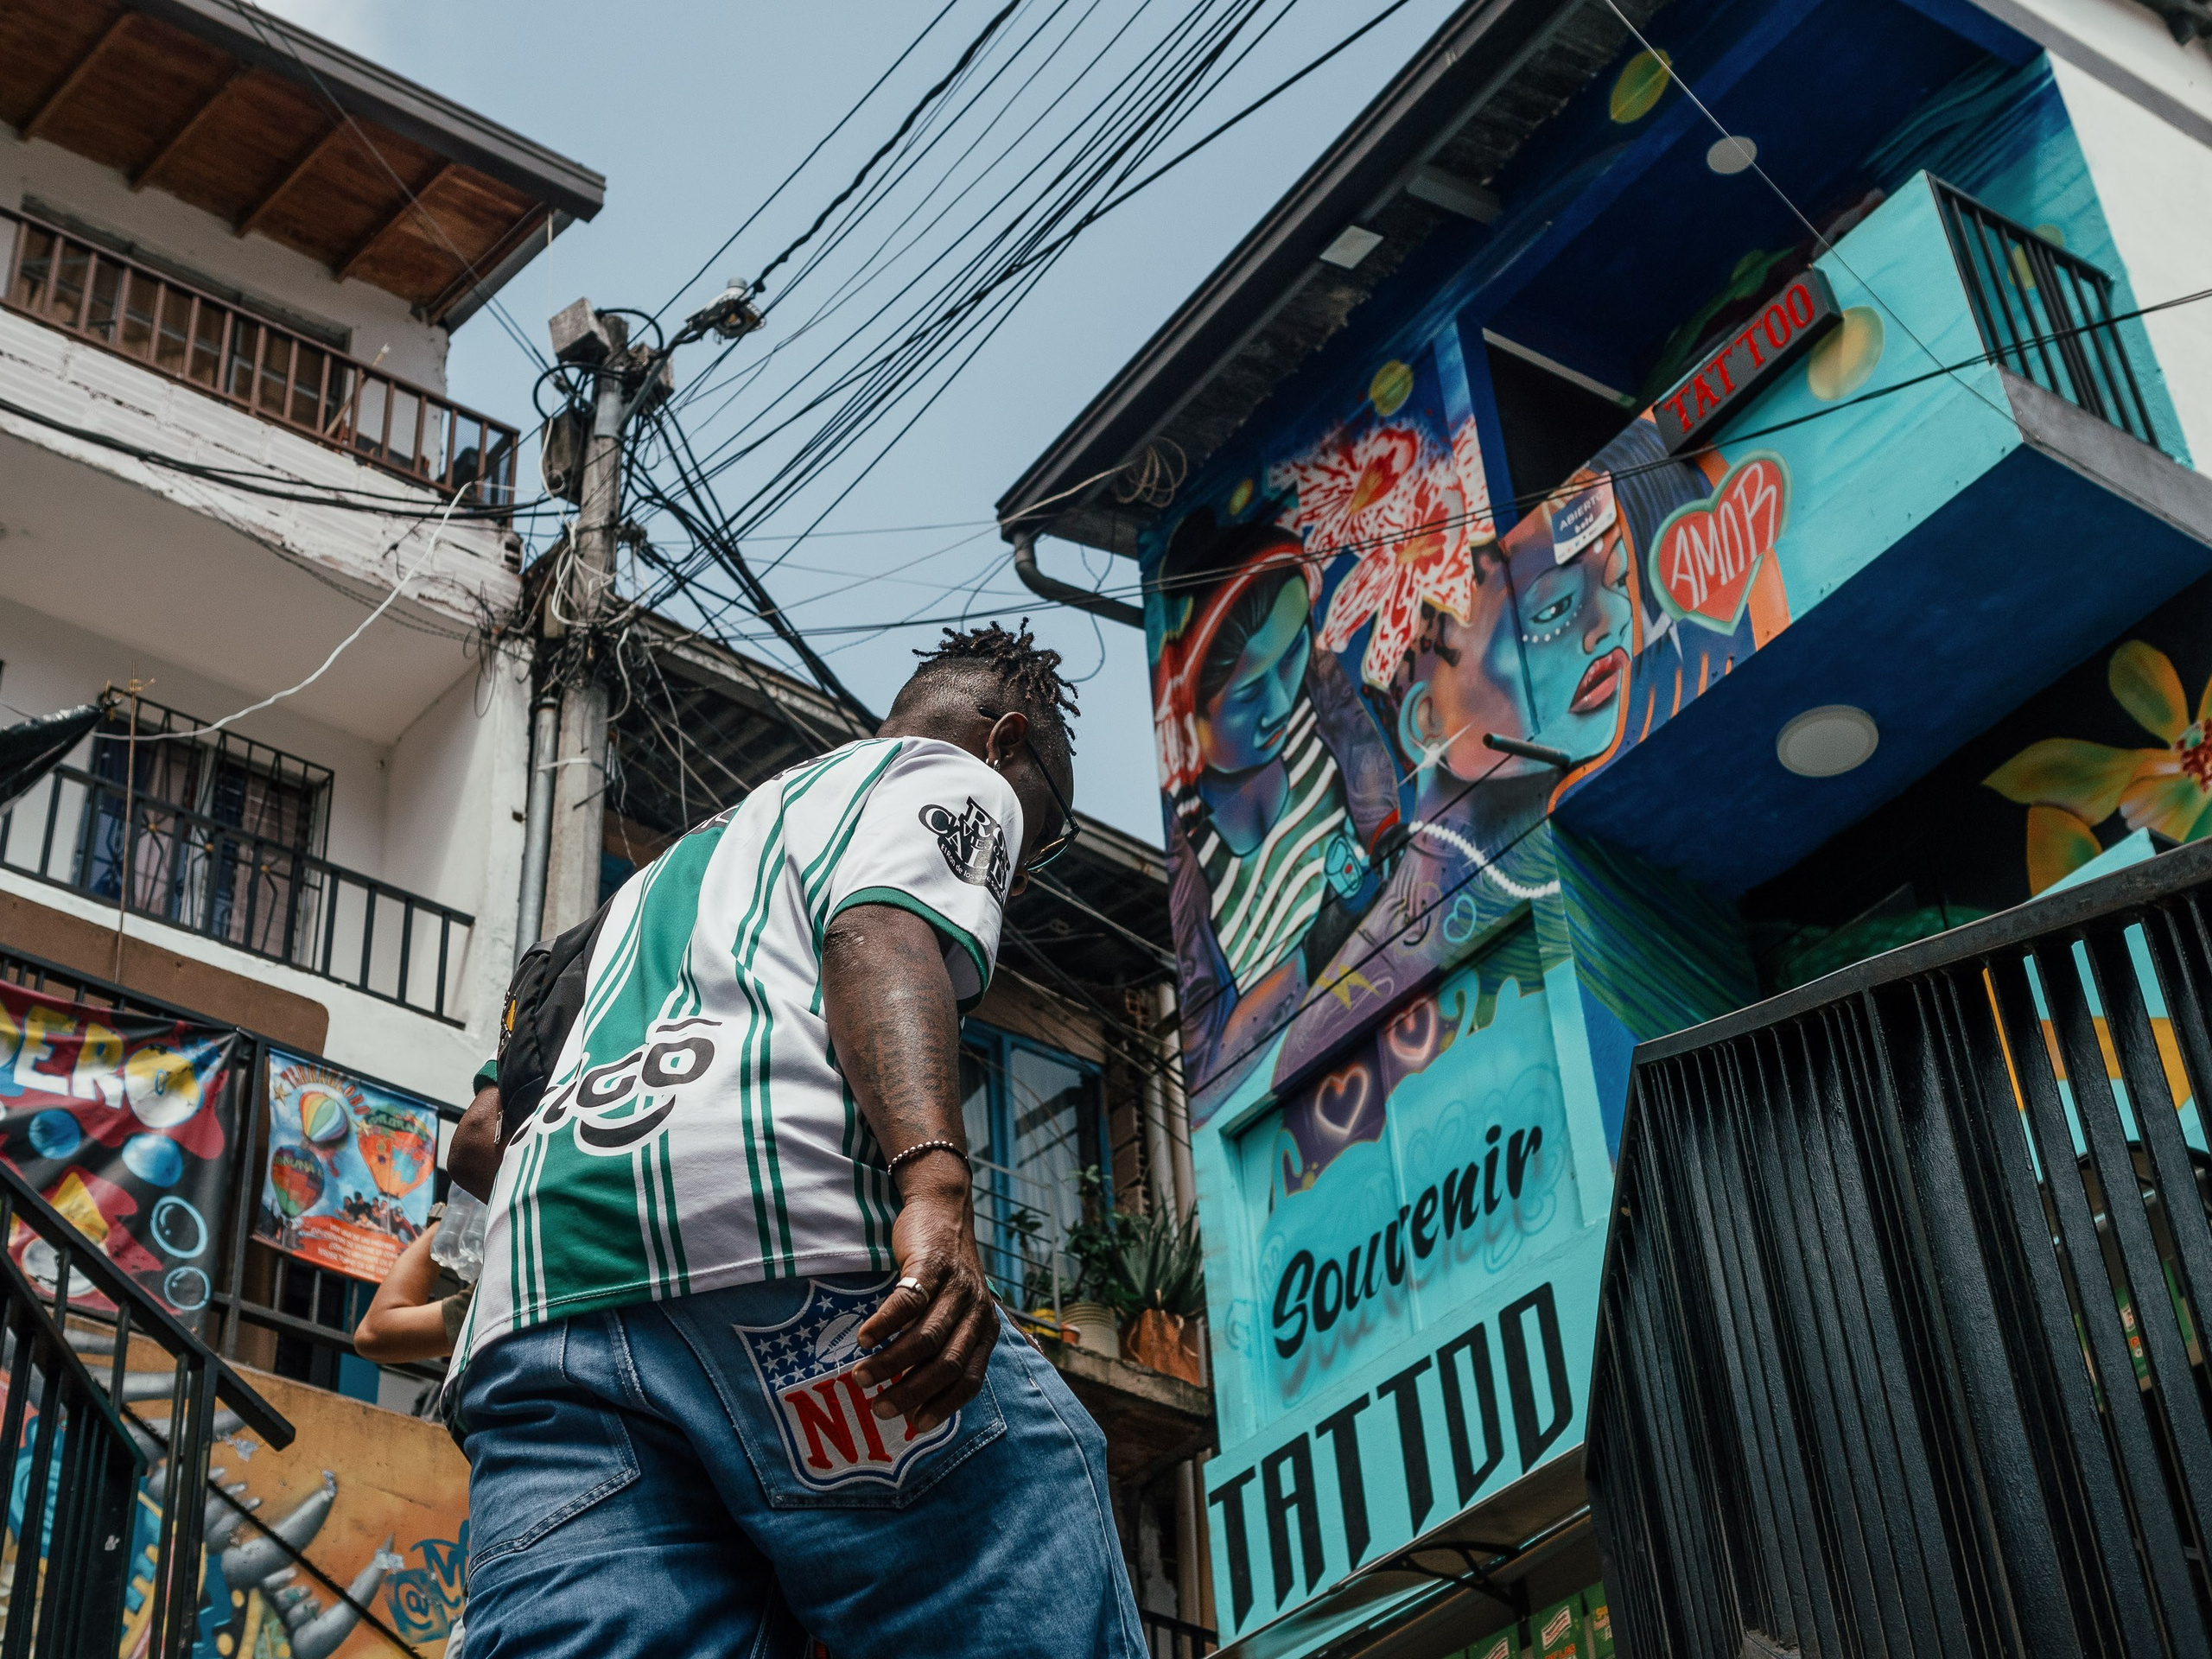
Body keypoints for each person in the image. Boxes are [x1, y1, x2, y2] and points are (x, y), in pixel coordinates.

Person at [448, 623, 1145, 1659]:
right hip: (776, 1249)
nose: (1020, 875)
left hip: (536, 1311)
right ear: (1006, 743)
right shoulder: (943, 776)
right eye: (1035, 841)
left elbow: (478, 1140)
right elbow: (878, 933)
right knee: (1022, 1570)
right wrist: (936, 1192)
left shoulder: (648, 890)